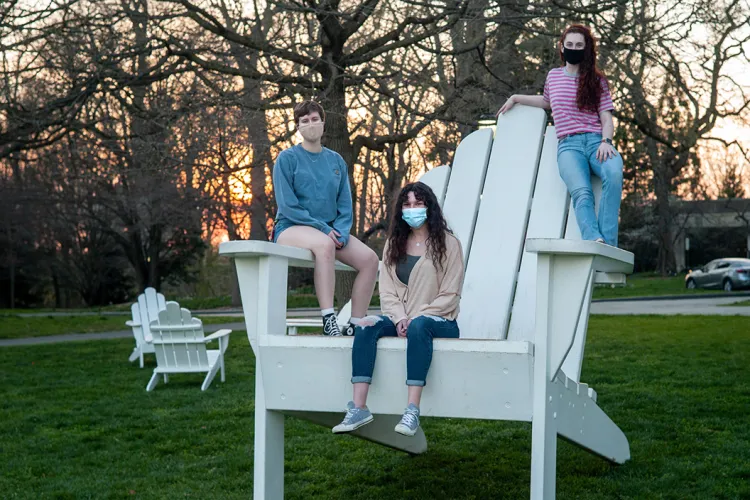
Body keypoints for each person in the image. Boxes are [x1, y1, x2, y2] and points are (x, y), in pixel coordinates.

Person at [332, 182, 464, 437]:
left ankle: (412, 410)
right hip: (402, 319)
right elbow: (388, 292)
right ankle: (359, 408)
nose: (412, 209)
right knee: (366, 325)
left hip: (439, 321)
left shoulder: (449, 244)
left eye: (418, 203)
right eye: (407, 204)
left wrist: (415, 317)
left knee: (420, 325)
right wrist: (401, 317)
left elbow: (451, 294)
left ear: (429, 207)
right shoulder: (394, 243)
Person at [498, 24, 624, 247]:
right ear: (562, 47)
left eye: (579, 45)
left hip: (597, 142)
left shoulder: (597, 81)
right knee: (582, 192)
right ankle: (594, 239)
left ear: (586, 49)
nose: (574, 48)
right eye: (570, 45)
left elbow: (606, 118)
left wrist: (606, 141)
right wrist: (517, 97)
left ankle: (609, 244)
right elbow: (547, 102)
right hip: (569, 146)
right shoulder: (553, 76)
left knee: (613, 173)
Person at [272, 100, 379, 336]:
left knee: (370, 260)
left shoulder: (336, 161)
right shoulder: (286, 159)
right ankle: (328, 319)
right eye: (305, 121)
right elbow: (288, 206)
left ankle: (355, 322)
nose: (311, 124)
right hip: (292, 227)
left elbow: (345, 204)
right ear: (298, 126)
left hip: (331, 232)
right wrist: (322, 228)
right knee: (324, 244)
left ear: (323, 122)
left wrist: (341, 230)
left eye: (315, 119)